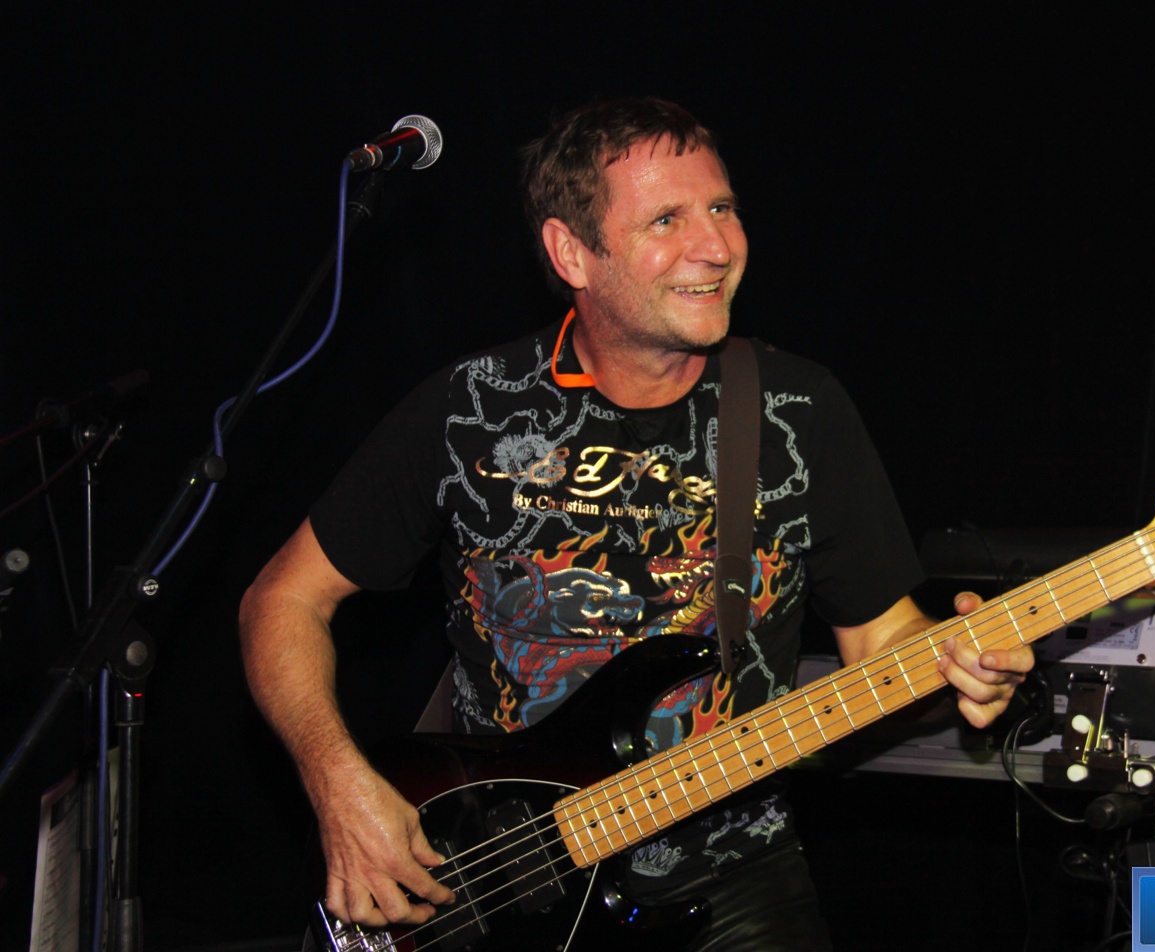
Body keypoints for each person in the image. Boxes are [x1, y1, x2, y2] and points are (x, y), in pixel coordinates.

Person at [238, 97, 1031, 950]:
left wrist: (956, 670)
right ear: (571, 252)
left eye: (721, 207)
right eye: (666, 219)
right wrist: (338, 784)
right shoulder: (472, 410)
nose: (716, 247)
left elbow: (881, 642)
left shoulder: (800, 412)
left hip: (734, 877)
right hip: (500, 886)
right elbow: (280, 601)